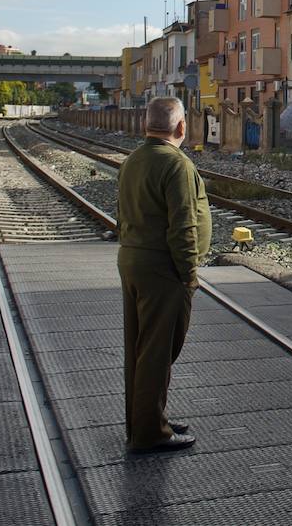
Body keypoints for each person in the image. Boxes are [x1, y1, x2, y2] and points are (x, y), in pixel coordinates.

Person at [116, 96, 212, 454]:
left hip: (133, 260)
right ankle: (150, 433)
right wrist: (189, 274)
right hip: (163, 268)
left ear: (146, 125)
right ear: (182, 126)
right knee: (157, 351)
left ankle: (146, 419)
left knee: (141, 350)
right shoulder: (176, 164)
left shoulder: (133, 160)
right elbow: (183, 225)